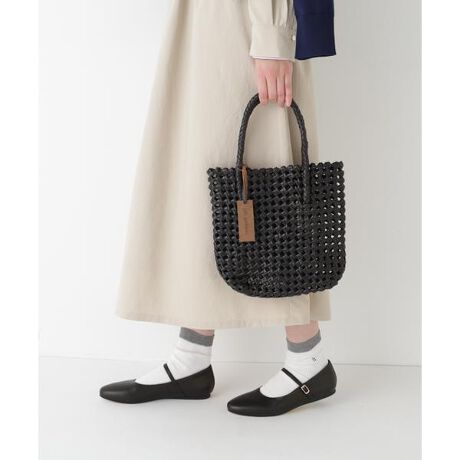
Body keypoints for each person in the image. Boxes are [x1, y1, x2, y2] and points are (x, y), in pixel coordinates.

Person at [100, 0, 337, 417]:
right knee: (205, 189)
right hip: (204, 21)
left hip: (245, 21)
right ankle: (192, 356)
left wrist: (273, 35)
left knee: (264, 177)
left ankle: (308, 358)